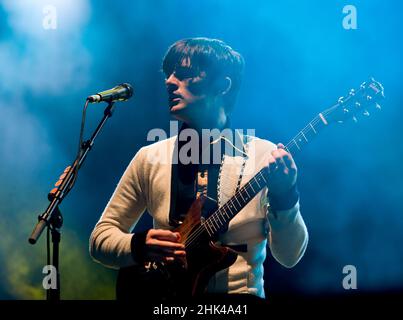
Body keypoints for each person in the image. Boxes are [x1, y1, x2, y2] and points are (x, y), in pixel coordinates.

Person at [89, 37, 308, 301]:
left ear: (223, 85)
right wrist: (139, 245)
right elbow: (100, 239)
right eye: (168, 74)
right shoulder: (150, 157)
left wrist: (286, 197)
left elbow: (289, 256)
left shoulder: (262, 155)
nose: (169, 81)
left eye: (184, 74)